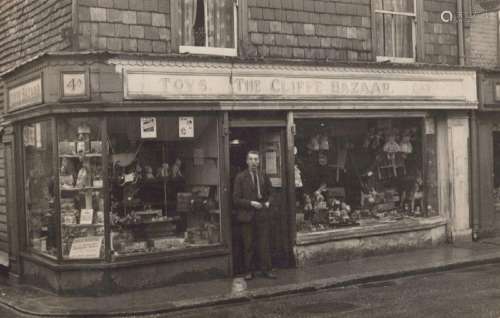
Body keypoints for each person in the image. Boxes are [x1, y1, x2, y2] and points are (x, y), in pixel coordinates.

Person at [232, 150, 276, 280]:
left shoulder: (263, 176)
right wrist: (251, 203)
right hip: (247, 215)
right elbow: (235, 199)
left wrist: (268, 203)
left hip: (262, 214)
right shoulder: (240, 177)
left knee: (264, 243)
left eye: (256, 159)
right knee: (248, 244)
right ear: (246, 161)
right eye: (251, 159)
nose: (253, 162)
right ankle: (248, 271)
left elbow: (272, 192)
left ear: (259, 161)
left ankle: (266, 270)